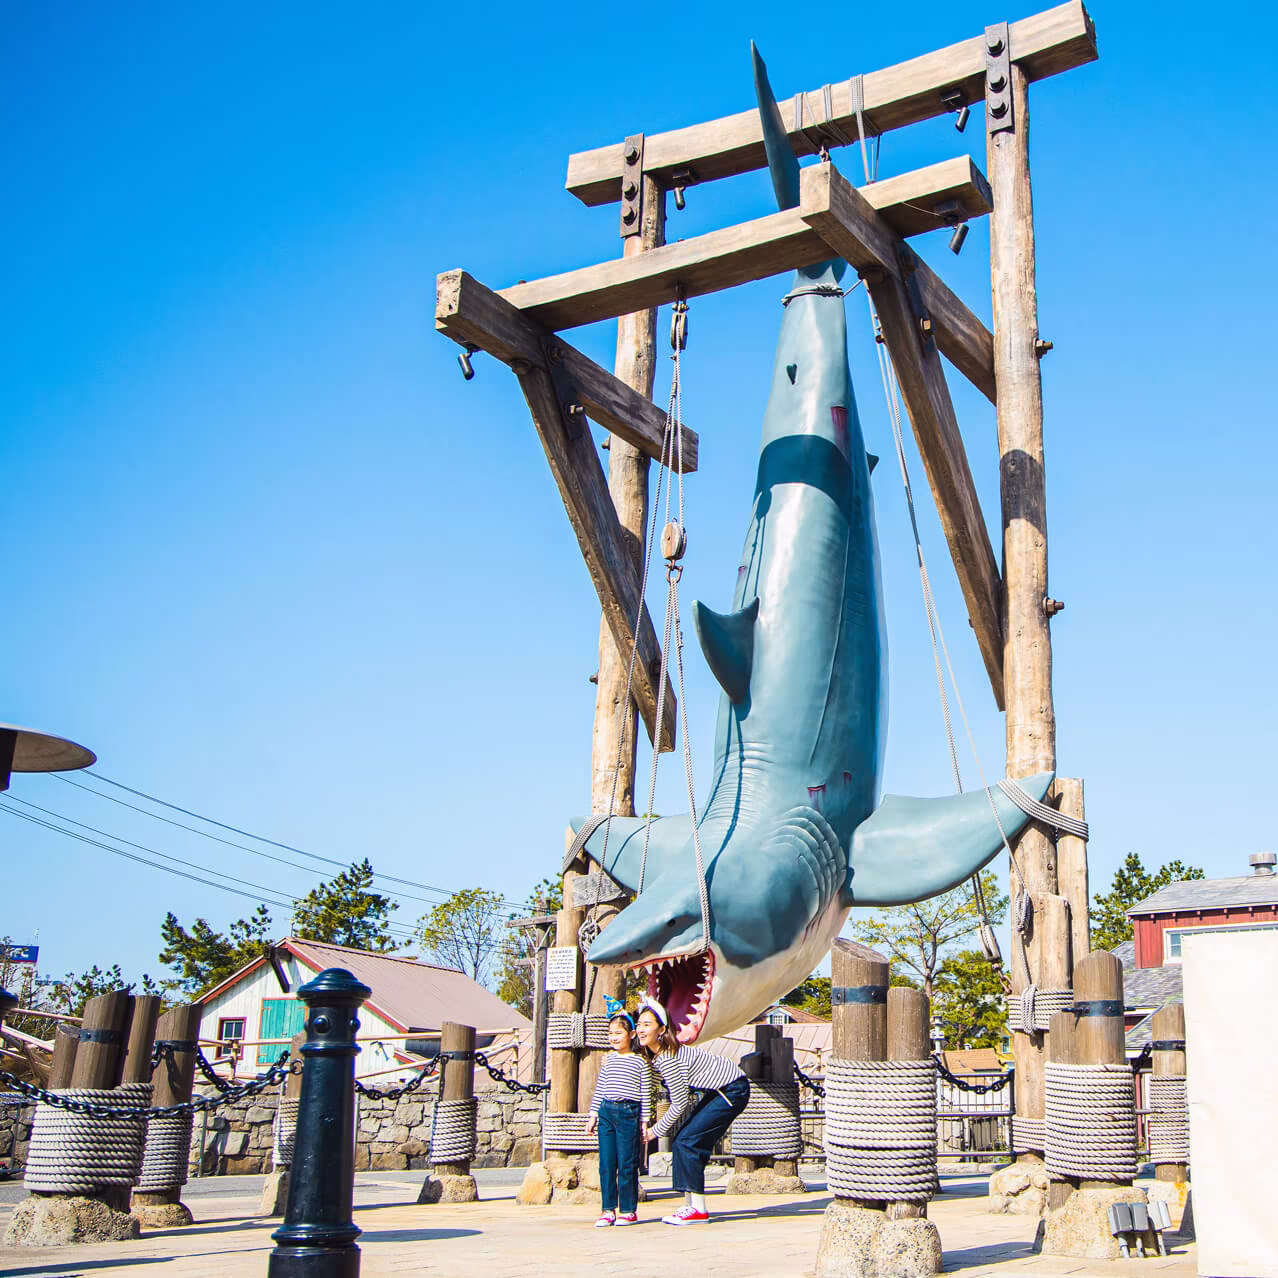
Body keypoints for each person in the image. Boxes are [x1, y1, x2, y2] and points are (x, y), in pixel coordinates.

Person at [636, 995, 750, 1225]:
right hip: (719, 1090)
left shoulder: (667, 1057)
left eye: (647, 1024)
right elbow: (651, 1086)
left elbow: (679, 1102)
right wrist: (644, 1118)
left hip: (731, 1089)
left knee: (687, 1142)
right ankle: (691, 1205)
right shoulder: (657, 1056)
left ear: (662, 1030)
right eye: (639, 1024)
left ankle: (698, 1209)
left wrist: (655, 1131)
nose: (640, 1029)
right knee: (685, 1141)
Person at [585, 995, 652, 1227]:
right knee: (606, 1164)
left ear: (631, 1035)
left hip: (628, 1112)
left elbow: (645, 1093)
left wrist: (644, 1121)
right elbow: (600, 1088)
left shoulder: (640, 1062)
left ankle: (628, 1209)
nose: (613, 1037)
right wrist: (593, 1115)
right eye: (611, 1033)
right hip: (606, 1112)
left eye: (618, 1033)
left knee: (627, 1163)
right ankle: (607, 1209)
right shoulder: (609, 1060)